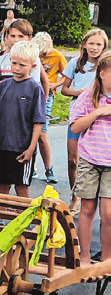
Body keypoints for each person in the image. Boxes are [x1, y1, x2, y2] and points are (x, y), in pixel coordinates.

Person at [67, 52, 111, 266]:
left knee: (109, 213)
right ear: (102, 74)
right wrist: (98, 113)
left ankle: (106, 258)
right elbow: (75, 127)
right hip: (89, 160)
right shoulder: (88, 97)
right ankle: (84, 256)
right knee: (87, 208)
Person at [0, 41, 46, 198]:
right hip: (2, 146)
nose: (17, 68)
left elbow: (38, 121)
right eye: (14, 63)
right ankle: (0, 219)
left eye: (22, 64)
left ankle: (24, 221)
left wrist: (31, 148)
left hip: (22, 148)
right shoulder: (4, 86)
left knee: (21, 188)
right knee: (2, 186)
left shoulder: (35, 88)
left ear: (32, 67)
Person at [62, 28, 109, 210]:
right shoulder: (75, 63)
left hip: (100, 121)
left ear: (104, 46)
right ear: (84, 45)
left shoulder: (105, 65)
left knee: (94, 160)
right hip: (79, 116)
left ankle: (95, 198)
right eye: (91, 43)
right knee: (73, 160)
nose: (94, 48)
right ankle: (76, 197)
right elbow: (64, 89)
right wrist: (78, 92)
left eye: (98, 44)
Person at [34, 31, 67, 184]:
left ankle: (49, 168)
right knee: (29, 130)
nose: (43, 55)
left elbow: (67, 74)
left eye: (44, 52)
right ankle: (32, 167)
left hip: (48, 95)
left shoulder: (57, 56)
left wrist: (56, 84)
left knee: (42, 131)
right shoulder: (33, 54)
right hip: (32, 93)